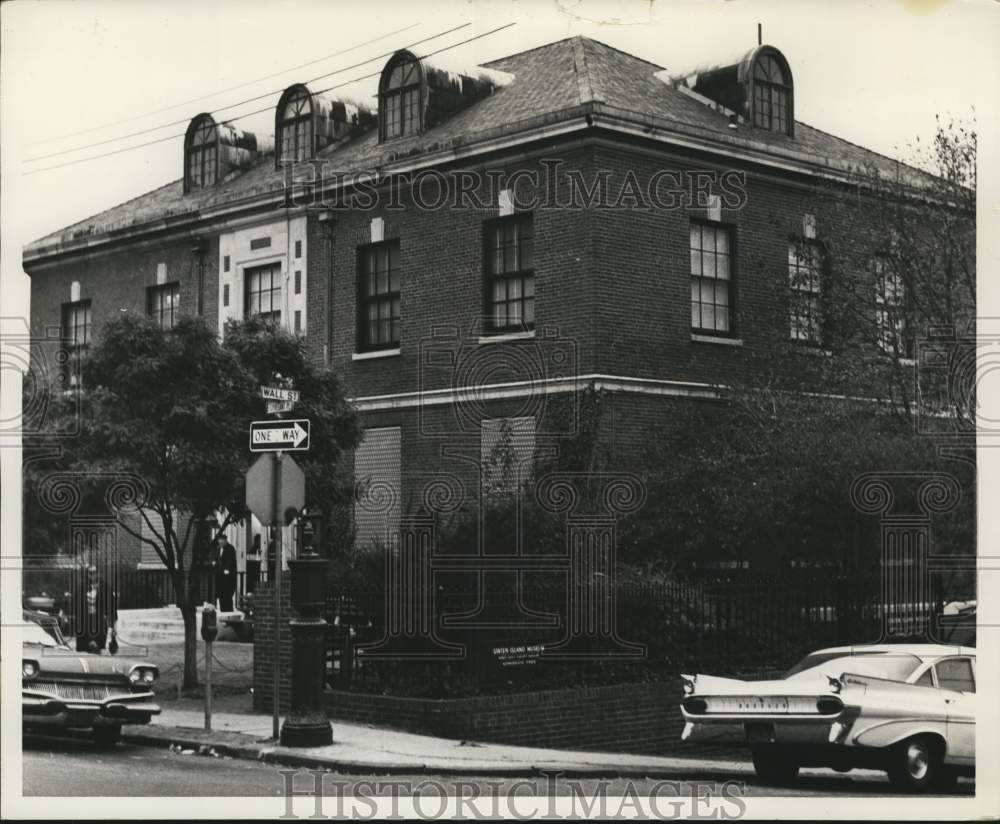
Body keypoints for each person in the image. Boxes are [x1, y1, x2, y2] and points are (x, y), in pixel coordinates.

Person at [72, 565, 117, 653]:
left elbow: (112, 608)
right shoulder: (81, 588)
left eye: (94, 573)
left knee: (96, 649)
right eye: (90, 573)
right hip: (84, 623)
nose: (92, 575)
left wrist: (114, 628)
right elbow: (75, 604)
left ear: (98, 573)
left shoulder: (106, 588)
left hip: (99, 622)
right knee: (83, 650)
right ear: (87, 574)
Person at [214, 532, 238, 612]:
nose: (220, 542)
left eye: (222, 541)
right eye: (219, 541)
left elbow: (231, 562)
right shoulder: (217, 549)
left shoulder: (230, 549)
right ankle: (223, 609)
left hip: (228, 577)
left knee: (227, 596)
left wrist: (227, 570)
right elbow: (216, 559)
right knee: (221, 595)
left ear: (225, 540)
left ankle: (228, 610)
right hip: (220, 577)